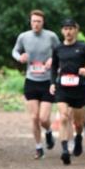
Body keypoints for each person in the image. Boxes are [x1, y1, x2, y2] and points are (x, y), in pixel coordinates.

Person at [12, 10, 59, 159]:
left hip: (47, 82)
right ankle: (39, 147)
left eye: (38, 21)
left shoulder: (51, 36)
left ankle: (49, 131)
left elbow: (60, 52)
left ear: (43, 22)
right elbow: (15, 51)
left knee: (44, 119)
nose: (36, 24)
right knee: (34, 117)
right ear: (30, 22)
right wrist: (20, 57)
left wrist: (53, 60)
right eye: (33, 21)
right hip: (31, 81)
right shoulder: (24, 37)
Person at [49, 18, 85, 165]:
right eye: (65, 29)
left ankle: (79, 137)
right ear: (62, 31)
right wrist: (52, 83)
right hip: (62, 87)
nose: (68, 31)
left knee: (79, 123)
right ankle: (64, 150)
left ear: (76, 30)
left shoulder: (84, 47)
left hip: (80, 88)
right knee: (63, 117)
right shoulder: (58, 49)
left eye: (71, 28)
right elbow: (53, 67)